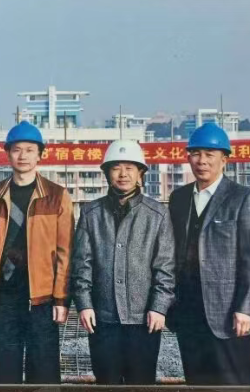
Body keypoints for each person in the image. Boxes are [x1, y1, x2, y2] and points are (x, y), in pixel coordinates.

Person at [167, 123, 250, 385]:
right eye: (196, 154)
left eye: (209, 154)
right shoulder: (179, 198)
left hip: (227, 312)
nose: (202, 161)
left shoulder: (242, 198)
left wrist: (246, 309)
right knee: (196, 379)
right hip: (188, 311)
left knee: (233, 380)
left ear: (224, 159)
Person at [0, 120, 74, 384]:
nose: (23, 156)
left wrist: (62, 299)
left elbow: (65, 252)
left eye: (30, 150)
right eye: (17, 149)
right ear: (7, 153)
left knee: (44, 373)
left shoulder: (56, 196)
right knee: (5, 372)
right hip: (3, 297)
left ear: (40, 154)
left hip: (42, 299)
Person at [71, 140, 175, 385]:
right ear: (107, 173)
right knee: (106, 380)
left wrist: (159, 307)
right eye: (116, 168)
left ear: (140, 174)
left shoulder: (157, 214)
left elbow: (166, 267)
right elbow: (81, 264)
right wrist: (85, 305)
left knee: (141, 381)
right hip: (102, 318)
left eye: (130, 168)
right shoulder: (91, 213)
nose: (123, 174)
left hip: (144, 319)